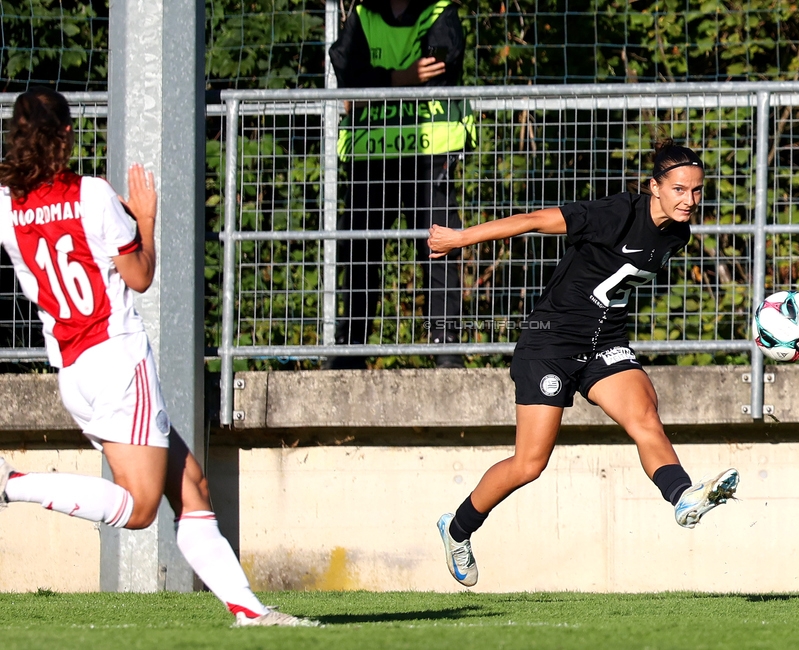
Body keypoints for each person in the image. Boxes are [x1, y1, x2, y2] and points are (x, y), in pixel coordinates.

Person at [0, 87, 313, 627]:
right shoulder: (93, 195)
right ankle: (10, 483)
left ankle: (249, 611)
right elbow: (140, 276)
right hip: (118, 363)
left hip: (73, 371)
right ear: (68, 135)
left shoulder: (6, 207)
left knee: (190, 483)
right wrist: (146, 218)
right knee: (141, 507)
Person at [428, 139, 739, 587]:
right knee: (529, 463)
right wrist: (461, 237)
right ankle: (457, 530)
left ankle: (683, 498)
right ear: (654, 187)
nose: (689, 200)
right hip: (550, 343)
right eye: (678, 190)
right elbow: (535, 221)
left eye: (696, 191)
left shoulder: (677, 234)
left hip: (605, 342)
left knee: (645, 415)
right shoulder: (616, 214)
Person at [328, 0, 475, 369]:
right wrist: (401, 78)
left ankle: (445, 346)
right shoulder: (363, 15)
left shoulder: (438, 11)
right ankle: (351, 348)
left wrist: (378, 79)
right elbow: (347, 72)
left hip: (428, 156)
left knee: (439, 248)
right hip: (372, 157)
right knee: (360, 251)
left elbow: (438, 70)